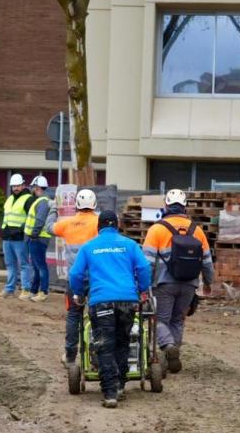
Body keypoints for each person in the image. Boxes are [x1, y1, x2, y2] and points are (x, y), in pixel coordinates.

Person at [68, 211, 151, 408]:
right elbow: (144, 268)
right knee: (123, 343)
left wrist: (79, 294)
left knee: (104, 345)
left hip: (101, 301)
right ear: (117, 225)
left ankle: (110, 393)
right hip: (127, 301)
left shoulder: (89, 247)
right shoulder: (129, 245)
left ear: (99, 226)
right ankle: (120, 385)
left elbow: (75, 274)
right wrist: (142, 290)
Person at [142, 189, 214, 374]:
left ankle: (168, 347)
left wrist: (143, 284)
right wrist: (207, 282)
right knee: (177, 321)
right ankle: (172, 356)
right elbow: (207, 261)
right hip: (189, 284)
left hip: (164, 284)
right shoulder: (196, 230)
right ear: (184, 207)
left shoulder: (157, 229)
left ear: (166, 205)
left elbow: (147, 261)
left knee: (159, 320)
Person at [47, 188, 99, 366]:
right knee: (97, 316)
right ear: (94, 204)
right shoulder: (99, 223)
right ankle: (96, 355)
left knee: (73, 315)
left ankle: (70, 356)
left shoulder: (67, 224)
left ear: (77, 204)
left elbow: (49, 228)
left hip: (74, 280)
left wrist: (54, 208)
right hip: (96, 280)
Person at [0, 174, 35, 299]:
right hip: (7, 237)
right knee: (10, 264)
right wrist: (2, 229)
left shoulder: (28, 199)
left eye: (18, 185)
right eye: (14, 186)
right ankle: (9, 289)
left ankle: (26, 289)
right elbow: (4, 215)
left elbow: (31, 217)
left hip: (20, 238)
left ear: (23, 185)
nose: (16, 188)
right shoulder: (9, 199)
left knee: (23, 264)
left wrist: (21, 230)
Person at [24, 175, 53, 302]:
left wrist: (34, 234)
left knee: (41, 266)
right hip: (37, 237)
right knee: (36, 266)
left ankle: (44, 292)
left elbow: (40, 220)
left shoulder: (42, 201)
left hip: (38, 238)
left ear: (36, 187)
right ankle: (34, 291)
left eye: (33, 187)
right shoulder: (42, 200)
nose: (31, 189)